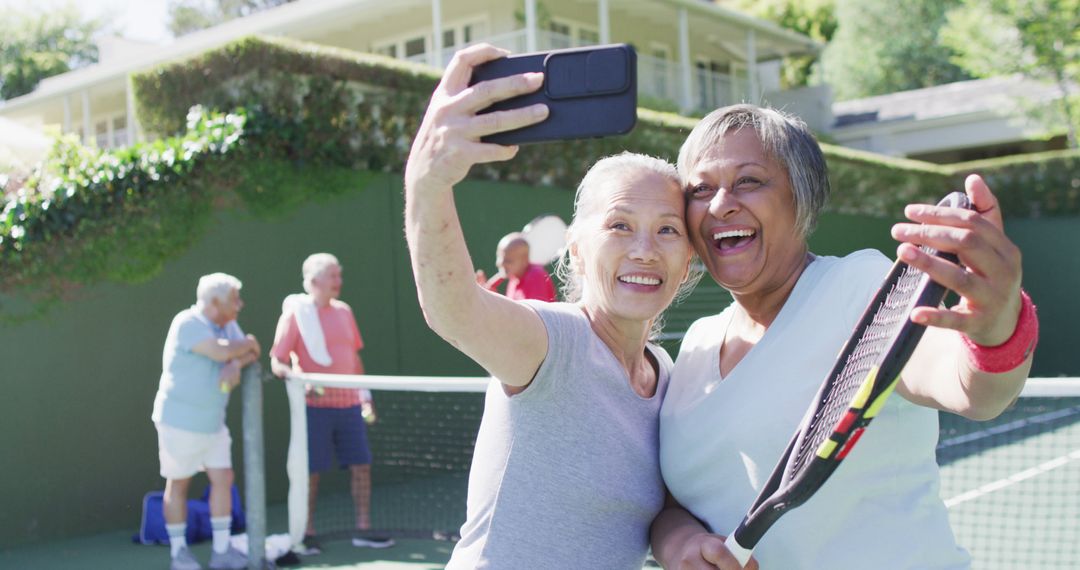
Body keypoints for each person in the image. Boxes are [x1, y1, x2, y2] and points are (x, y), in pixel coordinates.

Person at [650, 104, 1038, 569]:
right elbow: (676, 502)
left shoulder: (860, 288)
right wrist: (680, 543)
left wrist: (996, 329)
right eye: (700, 189)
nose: (720, 204)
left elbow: (971, 389)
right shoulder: (696, 342)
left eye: (749, 181)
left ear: (801, 197)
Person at [404, 43, 696, 568]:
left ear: (688, 259)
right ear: (578, 252)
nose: (644, 250)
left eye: (668, 230)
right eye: (620, 225)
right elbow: (453, 310)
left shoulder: (667, 377)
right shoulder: (553, 341)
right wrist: (426, 181)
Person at [269, 253, 394, 552]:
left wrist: (366, 396)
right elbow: (277, 361)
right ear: (313, 281)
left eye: (339, 275)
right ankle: (308, 532)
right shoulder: (296, 315)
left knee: (361, 466)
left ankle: (363, 528)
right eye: (333, 276)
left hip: (350, 406)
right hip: (314, 410)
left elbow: (355, 359)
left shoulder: (344, 312)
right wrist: (300, 381)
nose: (339, 282)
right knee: (311, 472)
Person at [151, 273, 261, 570]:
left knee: (223, 479)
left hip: (214, 423)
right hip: (179, 423)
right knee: (179, 484)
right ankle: (179, 555)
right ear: (215, 302)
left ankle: (222, 552)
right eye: (234, 299)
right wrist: (241, 347)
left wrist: (236, 363)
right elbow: (223, 350)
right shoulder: (187, 323)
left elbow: (253, 351)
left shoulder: (228, 325)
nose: (240, 305)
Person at [476, 231, 557, 301]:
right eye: (499, 257)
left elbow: (531, 315)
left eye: (508, 260)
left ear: (524, 261)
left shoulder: (536, 275)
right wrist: (491, 296)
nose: (500, 263)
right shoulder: (513, 279)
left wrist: (493, 298)